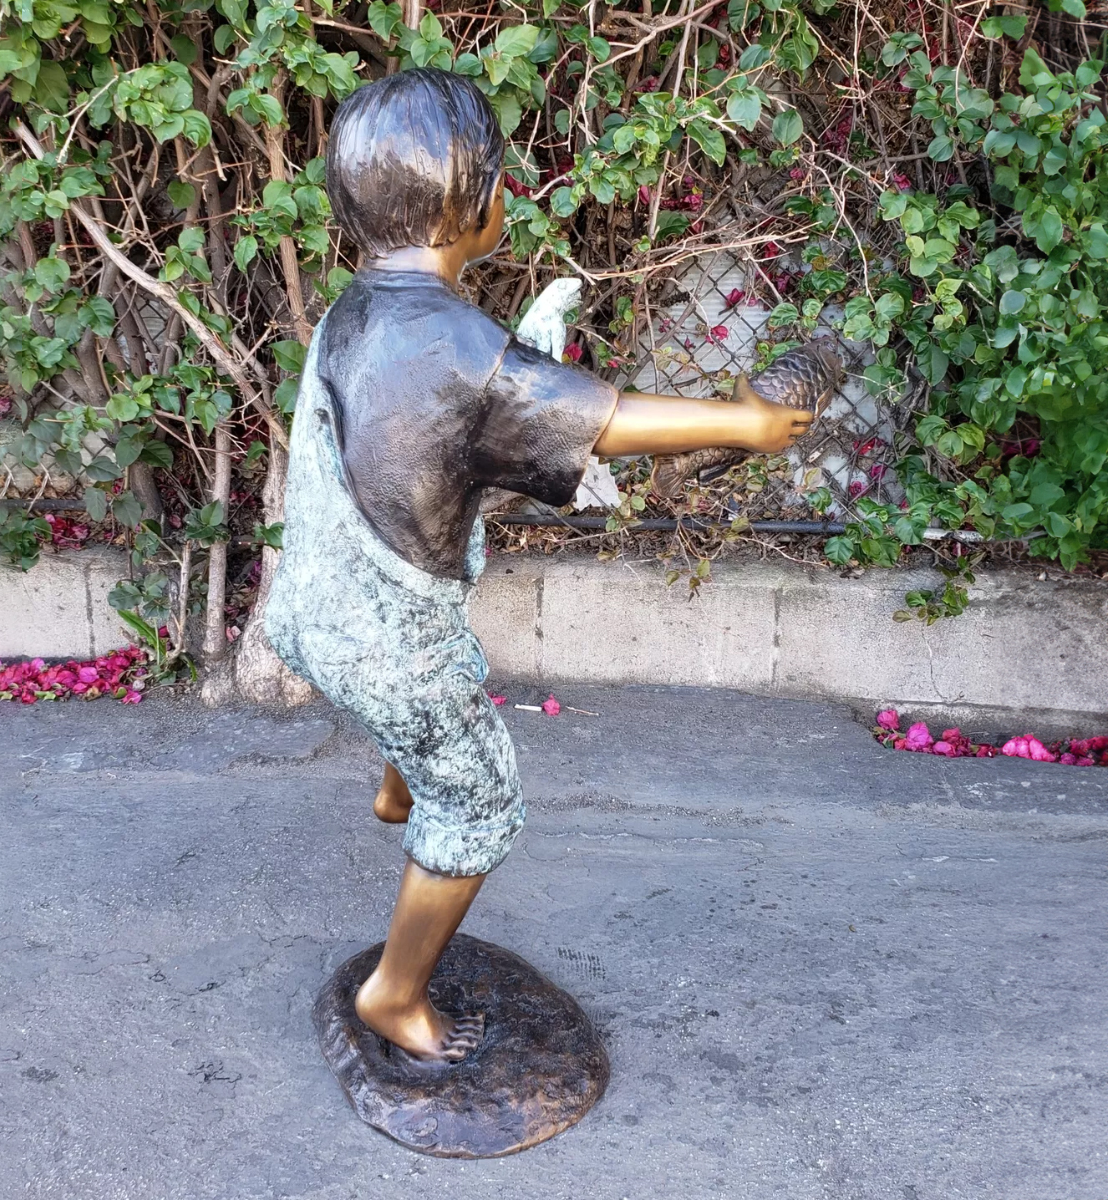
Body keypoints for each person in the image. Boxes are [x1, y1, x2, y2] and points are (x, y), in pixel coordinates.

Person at [266, 67, 814, 1063]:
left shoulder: (355, 312)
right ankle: (395, 993)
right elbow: (598, 417)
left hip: (313, 607)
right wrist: (746, 421)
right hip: (386, 644)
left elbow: (462, 415)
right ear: (474, 204)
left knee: (437, 680)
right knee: (479, 798)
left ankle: (399, 785)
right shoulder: (460, 350)